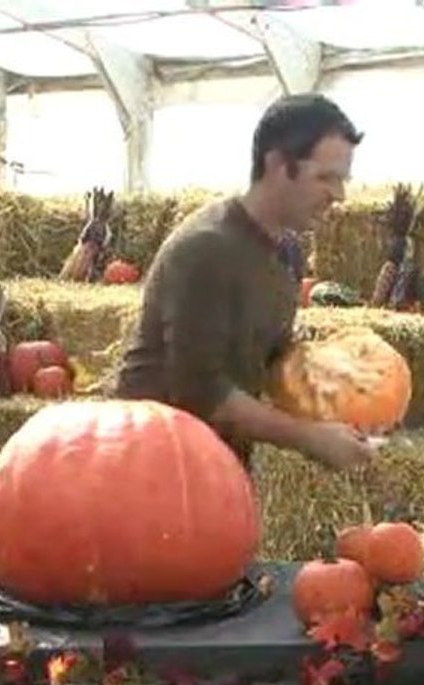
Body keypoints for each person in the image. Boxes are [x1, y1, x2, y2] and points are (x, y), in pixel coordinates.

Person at [112, 93, 377, 473]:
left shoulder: (286, 252)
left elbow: (269, 362)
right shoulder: (208, 248)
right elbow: (201, 394)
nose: (339, 195)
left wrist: (343, 391)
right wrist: (309, 438)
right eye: (325, 178)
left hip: (217, 465)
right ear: (277, 164)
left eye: (342, 179)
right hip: (154, 464)